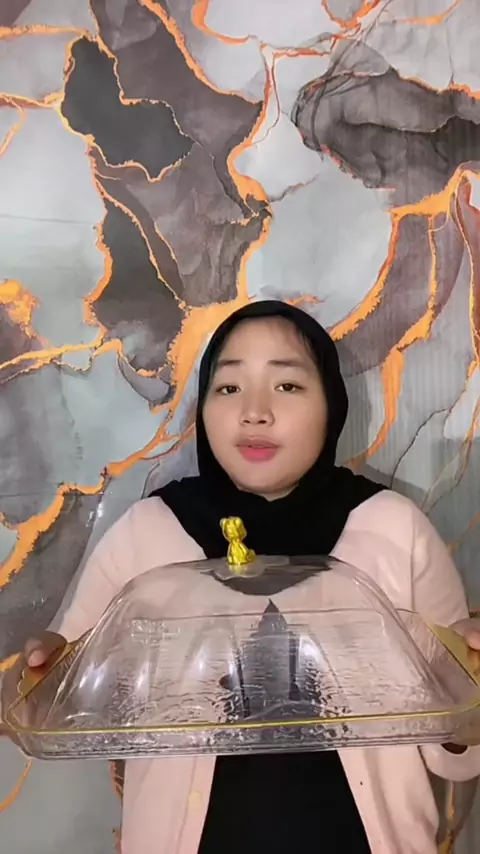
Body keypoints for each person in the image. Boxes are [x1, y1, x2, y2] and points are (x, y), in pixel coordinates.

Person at [3, 300, 480, 853]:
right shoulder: (147, 533)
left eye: (288, 386)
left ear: (332, 405)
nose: (254, 412)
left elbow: (457, 750)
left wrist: (467, 694)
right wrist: (36, 682)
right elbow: (57, 701)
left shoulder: (395, 529)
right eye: (229, 388)